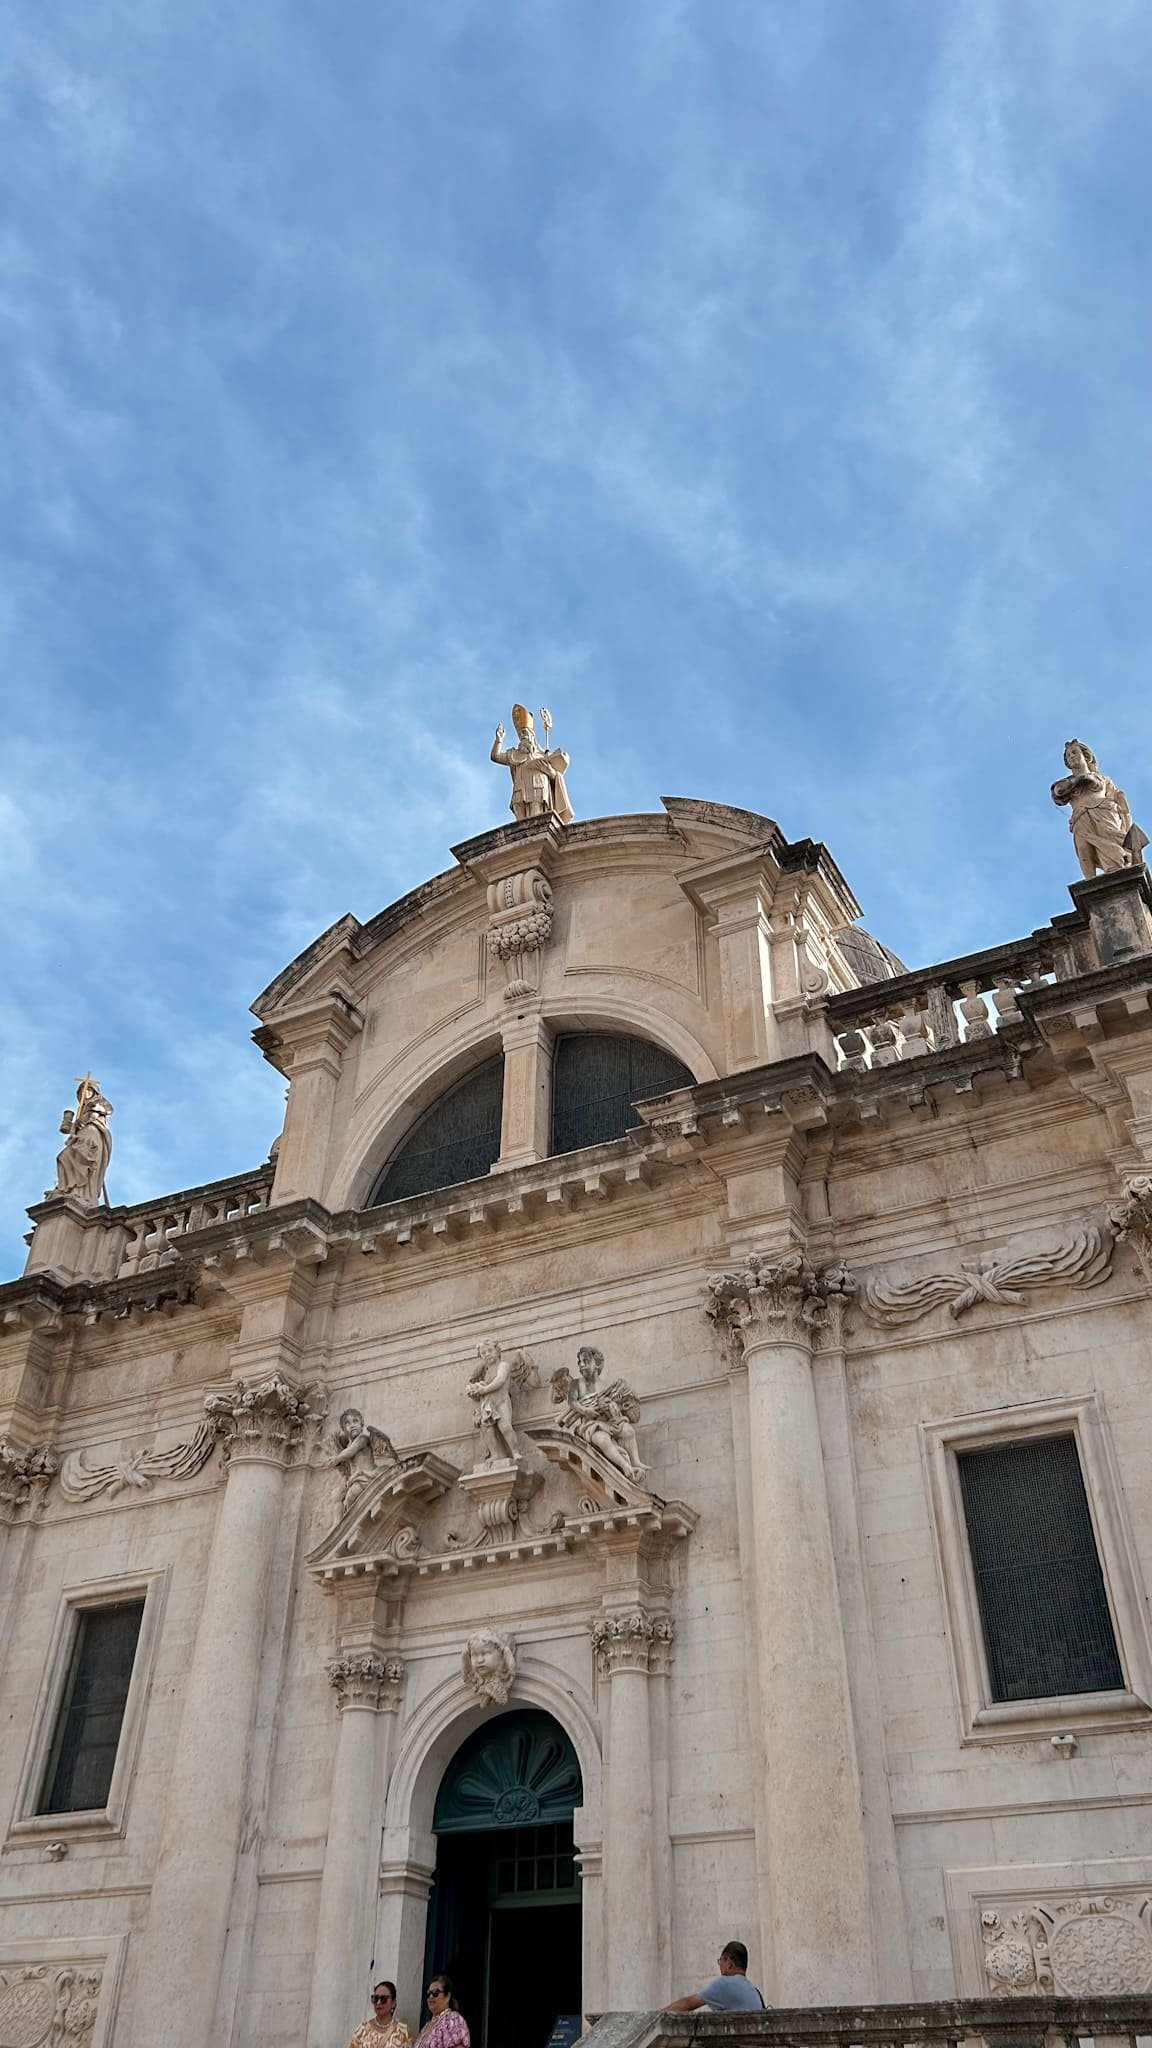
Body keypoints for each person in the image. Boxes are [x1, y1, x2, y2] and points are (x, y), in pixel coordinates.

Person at [665, 1940, 766, 2013]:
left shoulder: (725, 1984)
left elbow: (689, 2003)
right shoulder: (755, 1992)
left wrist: (657, 2015)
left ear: (729, 1962)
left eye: (720, 1960)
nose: (720, 1965)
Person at [345, 1979, 412, 2048]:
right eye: (375, 1998)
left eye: (383, 1999)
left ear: (393, 2003)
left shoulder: (402, 2032)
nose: (378, 2002)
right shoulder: (363, 2030)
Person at [415, 1976, 470, 2048]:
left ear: (447, 1996)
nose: (431, 1997)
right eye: (429, 1994)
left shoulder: (453, 2019)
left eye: (435, 1993)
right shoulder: (427, 2025)